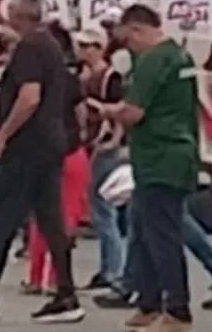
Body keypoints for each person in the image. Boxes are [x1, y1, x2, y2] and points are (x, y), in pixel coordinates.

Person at [0, 0, 84, 323]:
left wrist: (2, 136)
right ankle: (66, 293)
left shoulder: (29, 50)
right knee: (50, 220)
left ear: (15, 16)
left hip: (27, 146)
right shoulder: (49, 45)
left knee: (2, 215)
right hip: (50, 142)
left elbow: (28, 97)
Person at [96, 4, 199, 332]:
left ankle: (178, 310)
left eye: (127, 39)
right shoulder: (180, 56)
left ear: (137, 29)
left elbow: (134, 112)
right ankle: (149, 301)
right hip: (166, 154)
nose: (127, 47)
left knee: (163, 235)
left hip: (161, 158)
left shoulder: (152, 61)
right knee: (141, 232)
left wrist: (105, 110)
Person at [23, 22, 91, 297]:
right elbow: (82, 117)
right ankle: (56, 277)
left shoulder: (30, 79)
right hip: (71, 151)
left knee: (40, 217)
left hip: (40, 152)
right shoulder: (69, 79)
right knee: (66, 218)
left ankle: (36, 277)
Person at [76, 26, 128, 292]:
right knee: (99, 208)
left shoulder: (111, 77)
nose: (83, 50)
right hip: (90, 141)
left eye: (88, 46)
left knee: (103, 207)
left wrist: (114, 141)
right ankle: (108, 268)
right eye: (81, 45)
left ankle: (113, 270)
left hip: (105, 145)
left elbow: (119, 111)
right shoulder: (84, 76)